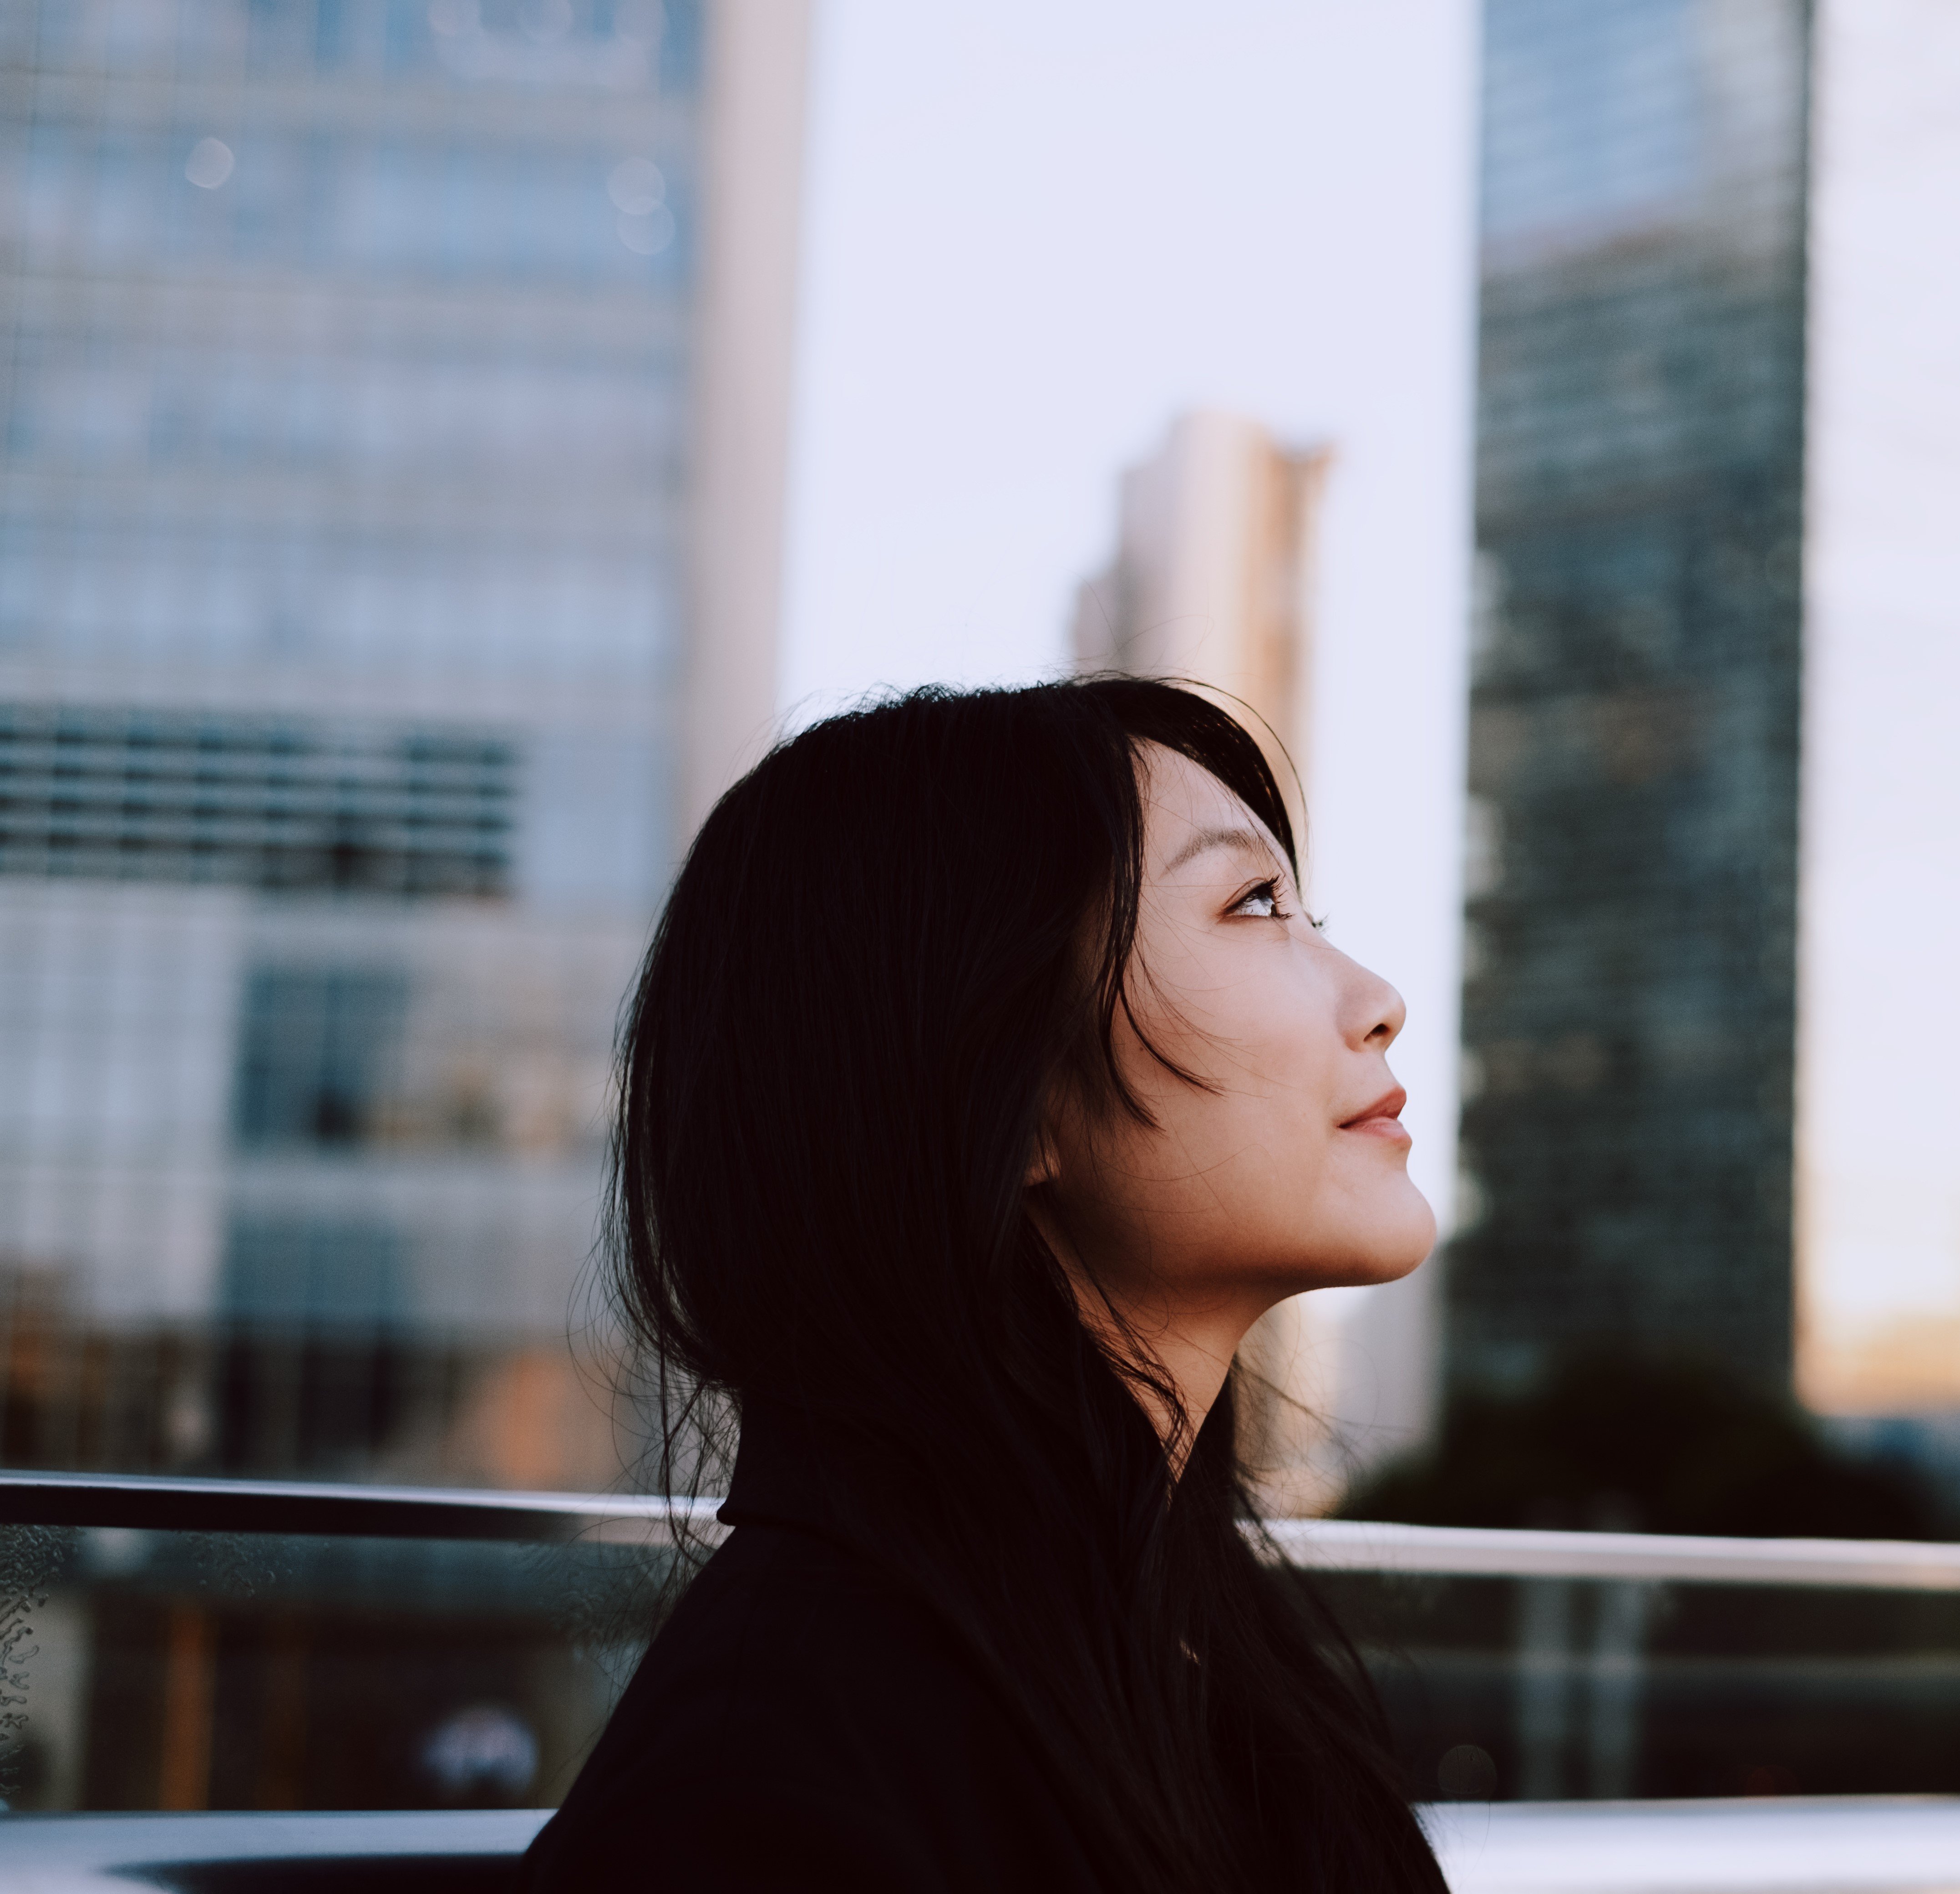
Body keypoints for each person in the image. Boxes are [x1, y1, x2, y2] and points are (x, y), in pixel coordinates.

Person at [524, 680, 1449, 1892]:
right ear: (999, 1095)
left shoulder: (1189, 1649)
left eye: (1302, 906)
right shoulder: (767, 1788)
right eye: (1253, 904)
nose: (1378, 1001)